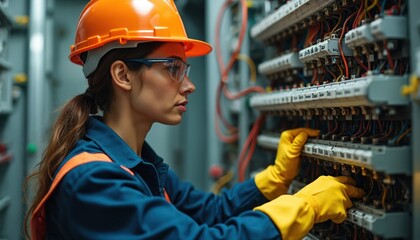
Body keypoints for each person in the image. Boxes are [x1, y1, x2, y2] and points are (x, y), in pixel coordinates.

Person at [25, 0, 365, 239]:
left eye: (184, 70)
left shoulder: (138, 163)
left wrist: (272, 180)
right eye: (173, 68)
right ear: (122, 75)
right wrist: (304, 206)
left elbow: (209, 213)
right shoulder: (95, 181)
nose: (189, 85)